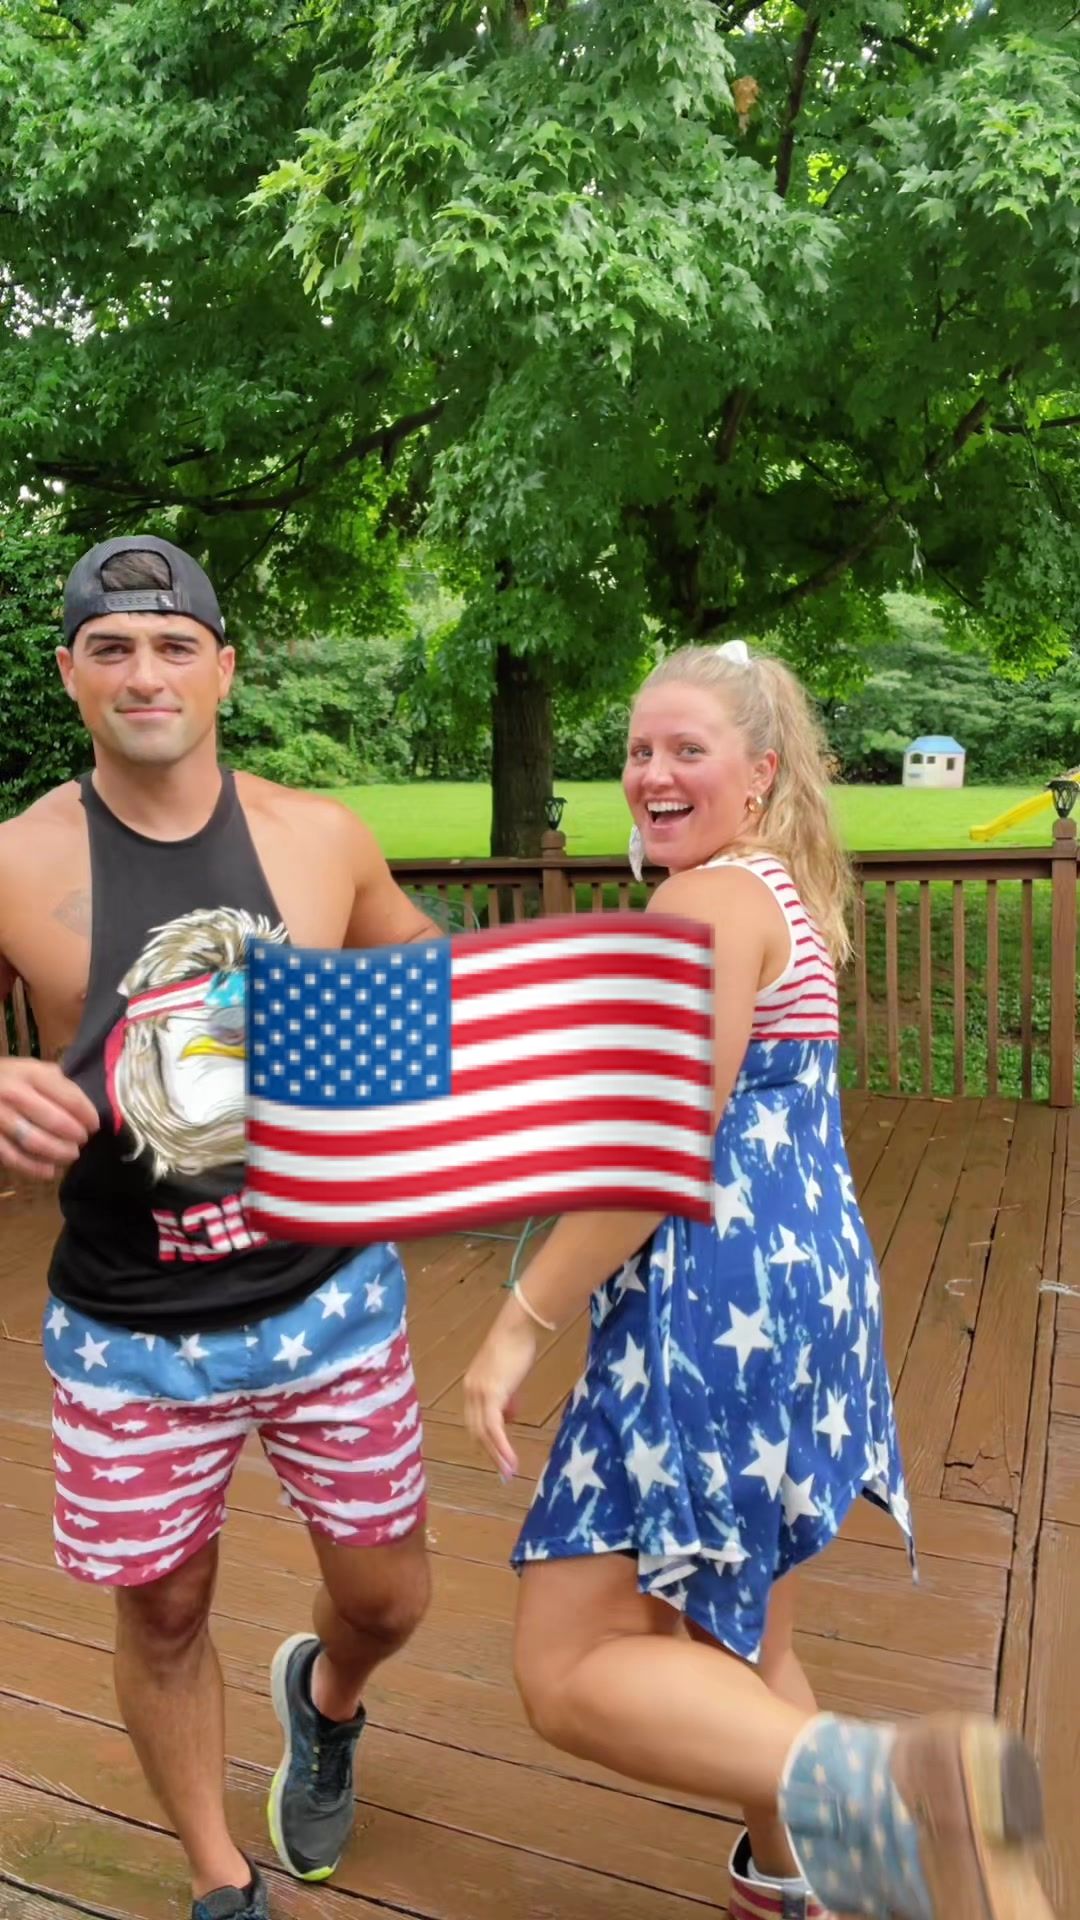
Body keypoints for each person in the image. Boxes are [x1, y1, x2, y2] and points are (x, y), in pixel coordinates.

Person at [463, 641, 1054, 1920]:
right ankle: (802, 1879)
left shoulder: (707, 903)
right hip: (802, 1297)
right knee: (739, 1634)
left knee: (568, 1664)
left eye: (690, 748)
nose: (653, 773)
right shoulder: (779, 892)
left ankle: (892, 1793)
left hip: (710, 1312)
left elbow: (658, 1149)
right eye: (639, 750)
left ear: (762, 771)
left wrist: (517, 1324)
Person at [0, 536, 438, 1920]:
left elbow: (433, 982)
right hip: (130, 1331)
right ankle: (219, 1879)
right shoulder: (15, 861)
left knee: (389, 1598)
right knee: (164, 1611)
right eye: (112, 648)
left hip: (331, 1301)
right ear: (69, 674)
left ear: (225, 670)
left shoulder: (320, 837)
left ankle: (328, 1697)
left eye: (174, 645)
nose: (146, 673)